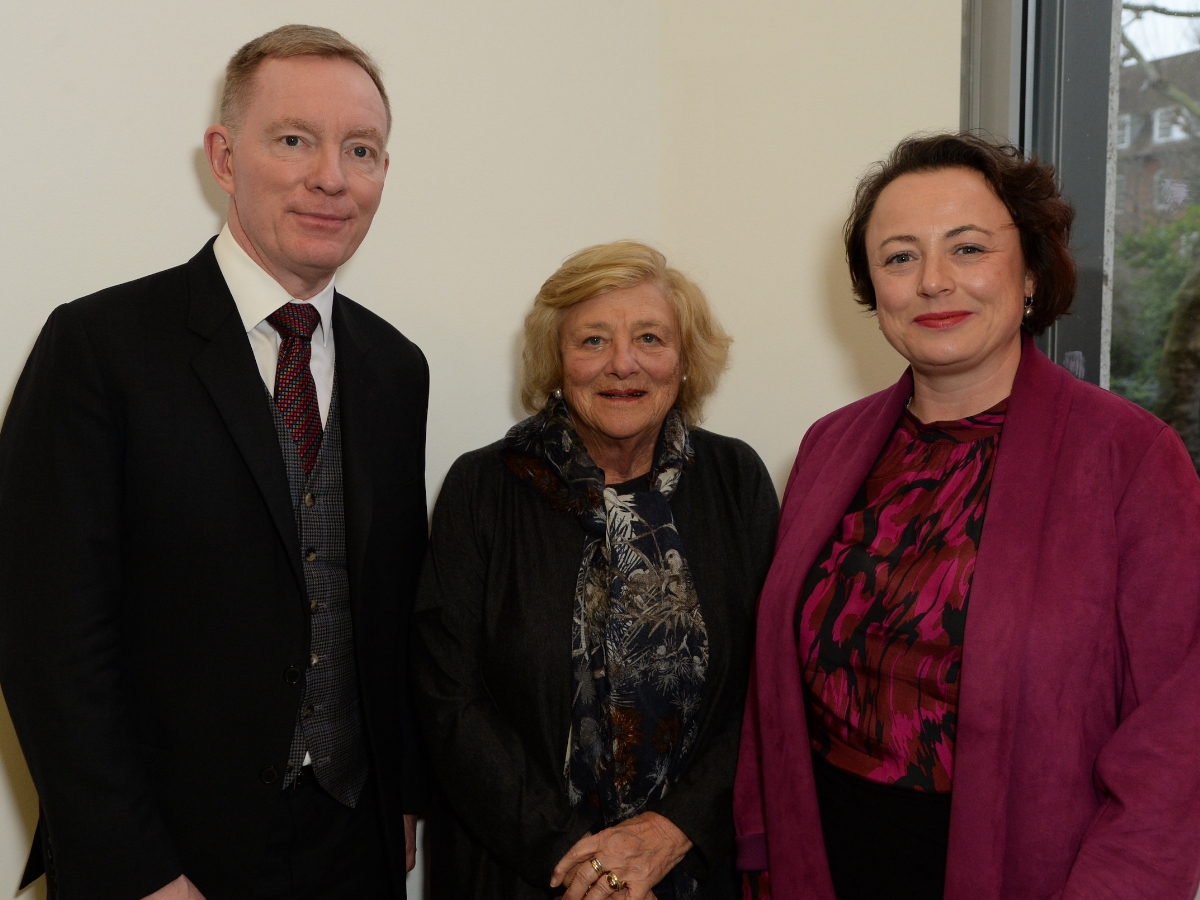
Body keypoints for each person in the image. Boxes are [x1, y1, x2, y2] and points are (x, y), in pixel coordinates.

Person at [0, 25, 427, 900]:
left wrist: (405, 800)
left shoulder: (395, 367)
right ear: (225, 158)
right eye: (294, 140)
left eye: (362, 150)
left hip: (355, 847)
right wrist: (137, 868)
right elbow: (45, 638)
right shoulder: (98, 347)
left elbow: (393, 611)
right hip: (164, 858)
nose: (332, 177)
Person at [734, 132, 1200, 900]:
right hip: (824, 857)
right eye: (900, 257)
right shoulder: (828, 446)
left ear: (1029, 274)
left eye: (969, 248)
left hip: (1033, 870)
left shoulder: (1131, 459)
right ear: (873, 290)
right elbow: (775, 689)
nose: (933, 282)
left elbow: (1178, 737)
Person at [412, 241, 779, 900]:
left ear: (685, 360)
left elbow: (769, 686)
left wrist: (670, 832)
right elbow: (449, 701)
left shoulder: (736, 480)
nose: (623, 364)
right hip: (521, 871)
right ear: (555, 359)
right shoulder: (480, 488)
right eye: (592, 340)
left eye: (650, 338)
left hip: (692, 868)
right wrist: (579, 862)